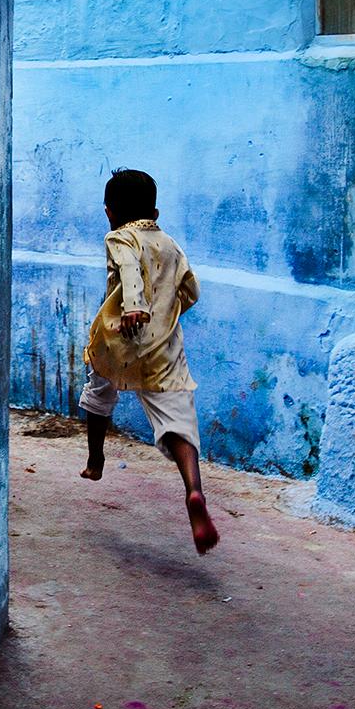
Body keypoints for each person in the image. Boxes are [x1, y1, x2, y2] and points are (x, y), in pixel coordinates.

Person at [79, 168, 220, 552]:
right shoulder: (171, 244)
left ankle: (95, 460)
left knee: (100, 390)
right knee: (177, 420)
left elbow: (128, 267)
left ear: (109, 211)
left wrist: (136, 306)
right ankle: (193, 490)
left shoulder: (118, 236)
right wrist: (164, 314)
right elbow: (190, 289)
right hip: (162, 346)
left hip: (118, 339)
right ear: (155, 214)